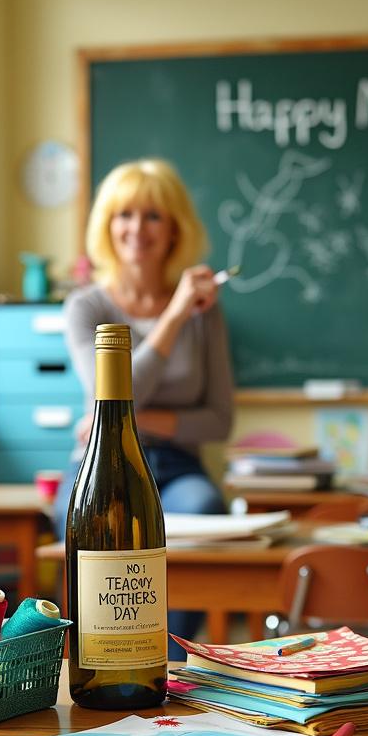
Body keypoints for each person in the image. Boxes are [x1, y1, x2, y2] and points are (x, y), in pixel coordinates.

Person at [54, 158, 234, 658]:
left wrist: (126, 419)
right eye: (124, 214)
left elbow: (220, 419)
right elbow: (112, 393)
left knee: (203, 511)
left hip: (176, 467)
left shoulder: (207, 310)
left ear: (175, 227)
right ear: (107, 225)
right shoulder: (86, 308)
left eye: (153, 215)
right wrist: (174, 316)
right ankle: (103, 660)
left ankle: (163, 663)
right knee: (91, 542)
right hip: (96, 467)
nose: (137, 228)